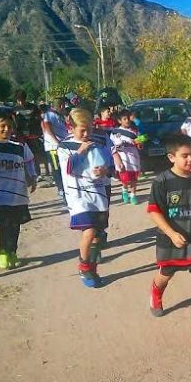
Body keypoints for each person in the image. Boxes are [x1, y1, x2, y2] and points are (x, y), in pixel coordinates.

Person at [147, 134, 191, 340]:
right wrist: (171, 233)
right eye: (185, 156)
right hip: (170, 238)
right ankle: (156, 292)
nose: (190, 160)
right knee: (165, 274)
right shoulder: (162, 182)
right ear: (171, 157)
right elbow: (154, 211)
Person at [57, 108, 113, 288]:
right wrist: (80, 151)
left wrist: (104, 170)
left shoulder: (98, 143)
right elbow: (68, 169)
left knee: (97, 237)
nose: (87, 133)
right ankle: (83, 267)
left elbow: (109, 166)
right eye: (82, 130)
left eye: (89, 129)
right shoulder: (64, 146)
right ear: (71, 128)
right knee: (88, 232)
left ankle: (93, 270)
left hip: (98, 195)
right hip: (78, 196)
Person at [0, 111, 37, 269]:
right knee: (5, 223)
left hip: (19, 193)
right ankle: (3, 252)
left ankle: (13, 252)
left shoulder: (19, 147)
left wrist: (32, 176)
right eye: (2, 126)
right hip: (0, 195)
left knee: (16, 224)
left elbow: (30, 161)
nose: (6, 129)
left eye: (9, 126)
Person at [110, 109, 141, 205]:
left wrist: (139, 143)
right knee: (125, 179)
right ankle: (124, 190)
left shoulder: (134, 132)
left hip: (133, 158)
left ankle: (133, 195)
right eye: (124, 119)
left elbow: (140, 144)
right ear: (120, 121)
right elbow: (112, 145)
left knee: (134, 178)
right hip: (122, 159)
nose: (127, 121)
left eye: (128, 118)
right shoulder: (115, 132)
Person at [12, 91, 46, 177]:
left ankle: (37, 173)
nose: (20, 102)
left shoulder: (33, 107)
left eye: (22, 100)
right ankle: (25, 173)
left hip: (33, 134)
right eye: (18, 100)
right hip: (21, 135)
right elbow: (12, 122)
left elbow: (39, 118)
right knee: (22, 155)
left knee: (35, 154)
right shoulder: (14, 109)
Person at [42, 98, 69, 200]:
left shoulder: (58, 115)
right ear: (61, 106)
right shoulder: (49, 114)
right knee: (56, 168)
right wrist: (56, 141)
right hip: (53, 147)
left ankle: (64, 188)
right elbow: (46, 126)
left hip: (61, 146)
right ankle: (61, 189)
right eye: (63, 107)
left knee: (63, 167)